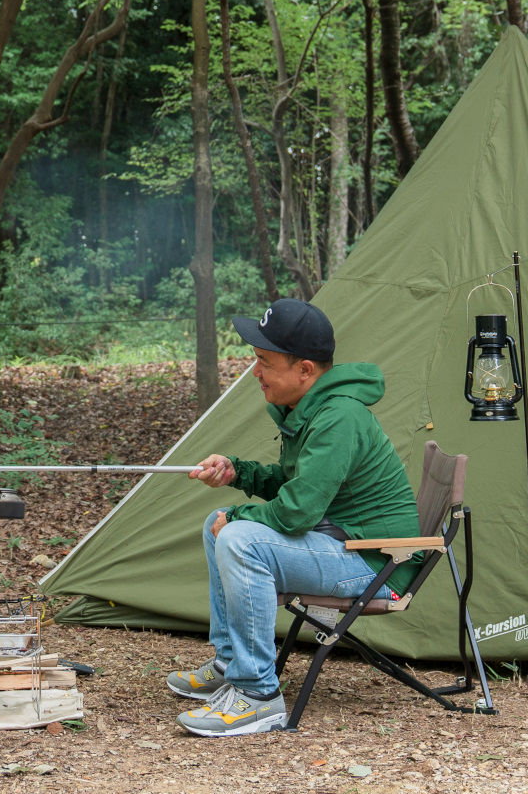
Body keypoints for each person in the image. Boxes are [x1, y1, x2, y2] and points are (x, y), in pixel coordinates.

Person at [166, 298, 419, 737]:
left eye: (264, 362)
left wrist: (241, 516)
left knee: (239, 537)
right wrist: (238, 472)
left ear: (305, 370)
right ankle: (231, 664)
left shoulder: (339, 416)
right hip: (341, 541)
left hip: (375, 563)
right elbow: (294, 485)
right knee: (218, 524)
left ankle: (257, 695)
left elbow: (297, 511)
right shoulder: (310, 409)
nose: (254, 372)